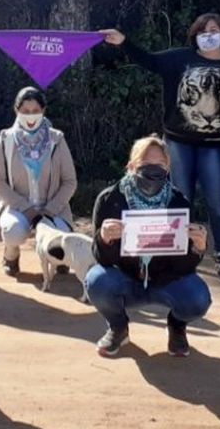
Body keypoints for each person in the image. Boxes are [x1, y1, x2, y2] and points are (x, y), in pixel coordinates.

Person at [99, 16, 220, 275]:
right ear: (194, 35)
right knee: (181, 198)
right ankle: (181, 249)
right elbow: (148, 60)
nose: (208, 35)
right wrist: (123, 42)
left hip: (215, 144)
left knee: (216, 199)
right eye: (203, 31)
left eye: (214, 30)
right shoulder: (180, 58)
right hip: (179, 142)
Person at [85, 135, 212, 358]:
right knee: (97, 280)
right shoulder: (109, 199)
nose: (153, 171)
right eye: (145, 165)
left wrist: (197, 249)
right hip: (126, 279)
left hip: (165, 281)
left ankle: (177, 326)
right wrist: (103, 239)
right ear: (131, 166)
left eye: (160, 166)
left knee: (198, 298)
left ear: (169, 168)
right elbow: (101, 259)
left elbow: (184, 267)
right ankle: (118, 328)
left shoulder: (178, 202)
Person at [0, 86, 79, 276]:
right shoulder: (5, 139)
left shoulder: (57, 139)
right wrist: (25, 208)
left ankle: (57, 256)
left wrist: (50, 209)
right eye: (25, 111)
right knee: (13, 231)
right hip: (17, 208)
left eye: (36, 111)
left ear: (44, 110)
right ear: (16, 110)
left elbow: (70, 181)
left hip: (53, 208)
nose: (30, 116)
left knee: (60, 234)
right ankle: (10, 256)